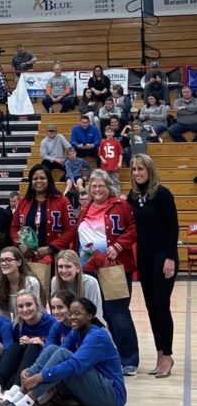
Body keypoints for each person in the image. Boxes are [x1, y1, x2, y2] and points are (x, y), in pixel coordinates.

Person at [0, 297, 125, 406]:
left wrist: (39, 377)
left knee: (64, 357)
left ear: (89, 316)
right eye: (71, 313)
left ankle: (26, 404)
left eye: (77, 313)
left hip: (111, 398)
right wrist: (31, 370)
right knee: (53, 349)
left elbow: (73, 364)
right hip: (93, 392)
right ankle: (17, 398)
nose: (72, 317)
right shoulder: (76, 332)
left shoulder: (97, 336)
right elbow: (56, 351)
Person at [72, 169, 139, 375]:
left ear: (108, 187)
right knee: (94, 313)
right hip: (88, 268)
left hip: (114, 267)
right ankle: (104, 355)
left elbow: (133, 229)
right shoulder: (85, 208)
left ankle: (129, 359)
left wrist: (119, 246)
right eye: (93, 186)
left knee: (117, 313)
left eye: (101, 185)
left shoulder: (121, 206)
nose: (97, 189)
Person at [128, 154, 178, 378]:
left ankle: (167, 354)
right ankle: (159, 353)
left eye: (140, 168)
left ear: (149, 170)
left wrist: (170, 258)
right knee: (151, 307)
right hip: (145, 257)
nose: (137, 172)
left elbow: (173, 228)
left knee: (161, 305)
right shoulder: (133, 196)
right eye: (134, 169)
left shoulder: (162, 194)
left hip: (163, 256)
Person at [0, 290, 54, 406]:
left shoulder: (50, 322)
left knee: (34, 346)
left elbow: (56, 348)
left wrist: (42, 343)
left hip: (39, 370)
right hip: (20, 370)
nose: (25, 309)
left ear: (37, 304)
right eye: (20, 306)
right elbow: (12, 354)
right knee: (15, 346)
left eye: (29, 304)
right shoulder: (17, 325)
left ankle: (15, 391)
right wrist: (22, 344)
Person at [11, 164, 75, 264]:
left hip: (55, 258)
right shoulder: (23, 202)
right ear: (31, 182)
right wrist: (19, 244)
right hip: (27, 258)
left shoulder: (62, 201)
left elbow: (71, 230)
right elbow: (14, 227)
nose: (38, 181)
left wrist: (51, 248)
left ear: (49, 180)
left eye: (42, 178)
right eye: (35, 178)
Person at [49, 249, 104, 323]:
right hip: (65, 325)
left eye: (68, 266)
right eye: (60, 267)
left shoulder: (90, 282)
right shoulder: (55, 281)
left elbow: (96, 314)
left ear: (78, 268)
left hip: (89, 326)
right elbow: (55, 311)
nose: (64, 271)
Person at [0, 247, 41, 319]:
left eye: (8, 260)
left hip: (31, 321)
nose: (4, 263)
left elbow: (35, 310)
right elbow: (1, 311)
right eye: (1, 260)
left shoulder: (31, 282)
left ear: (19, 262)